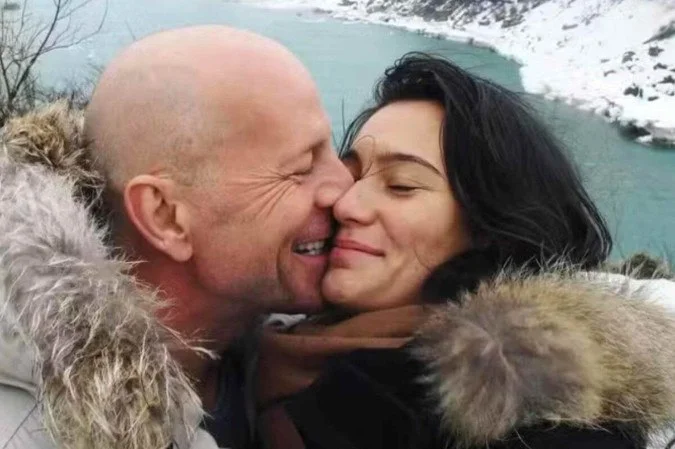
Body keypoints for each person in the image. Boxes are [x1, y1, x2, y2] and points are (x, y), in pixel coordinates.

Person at [256, 53, 675, 449]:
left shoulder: (534, 417)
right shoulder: (263, 343)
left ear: (487, 227)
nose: (346, 204)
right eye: (352, 175)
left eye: (401, 185)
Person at [0, 25, 351, 449]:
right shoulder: (25, 436)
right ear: (165, 216)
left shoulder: (295, 362)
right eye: (302, 167)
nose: (346, 188)